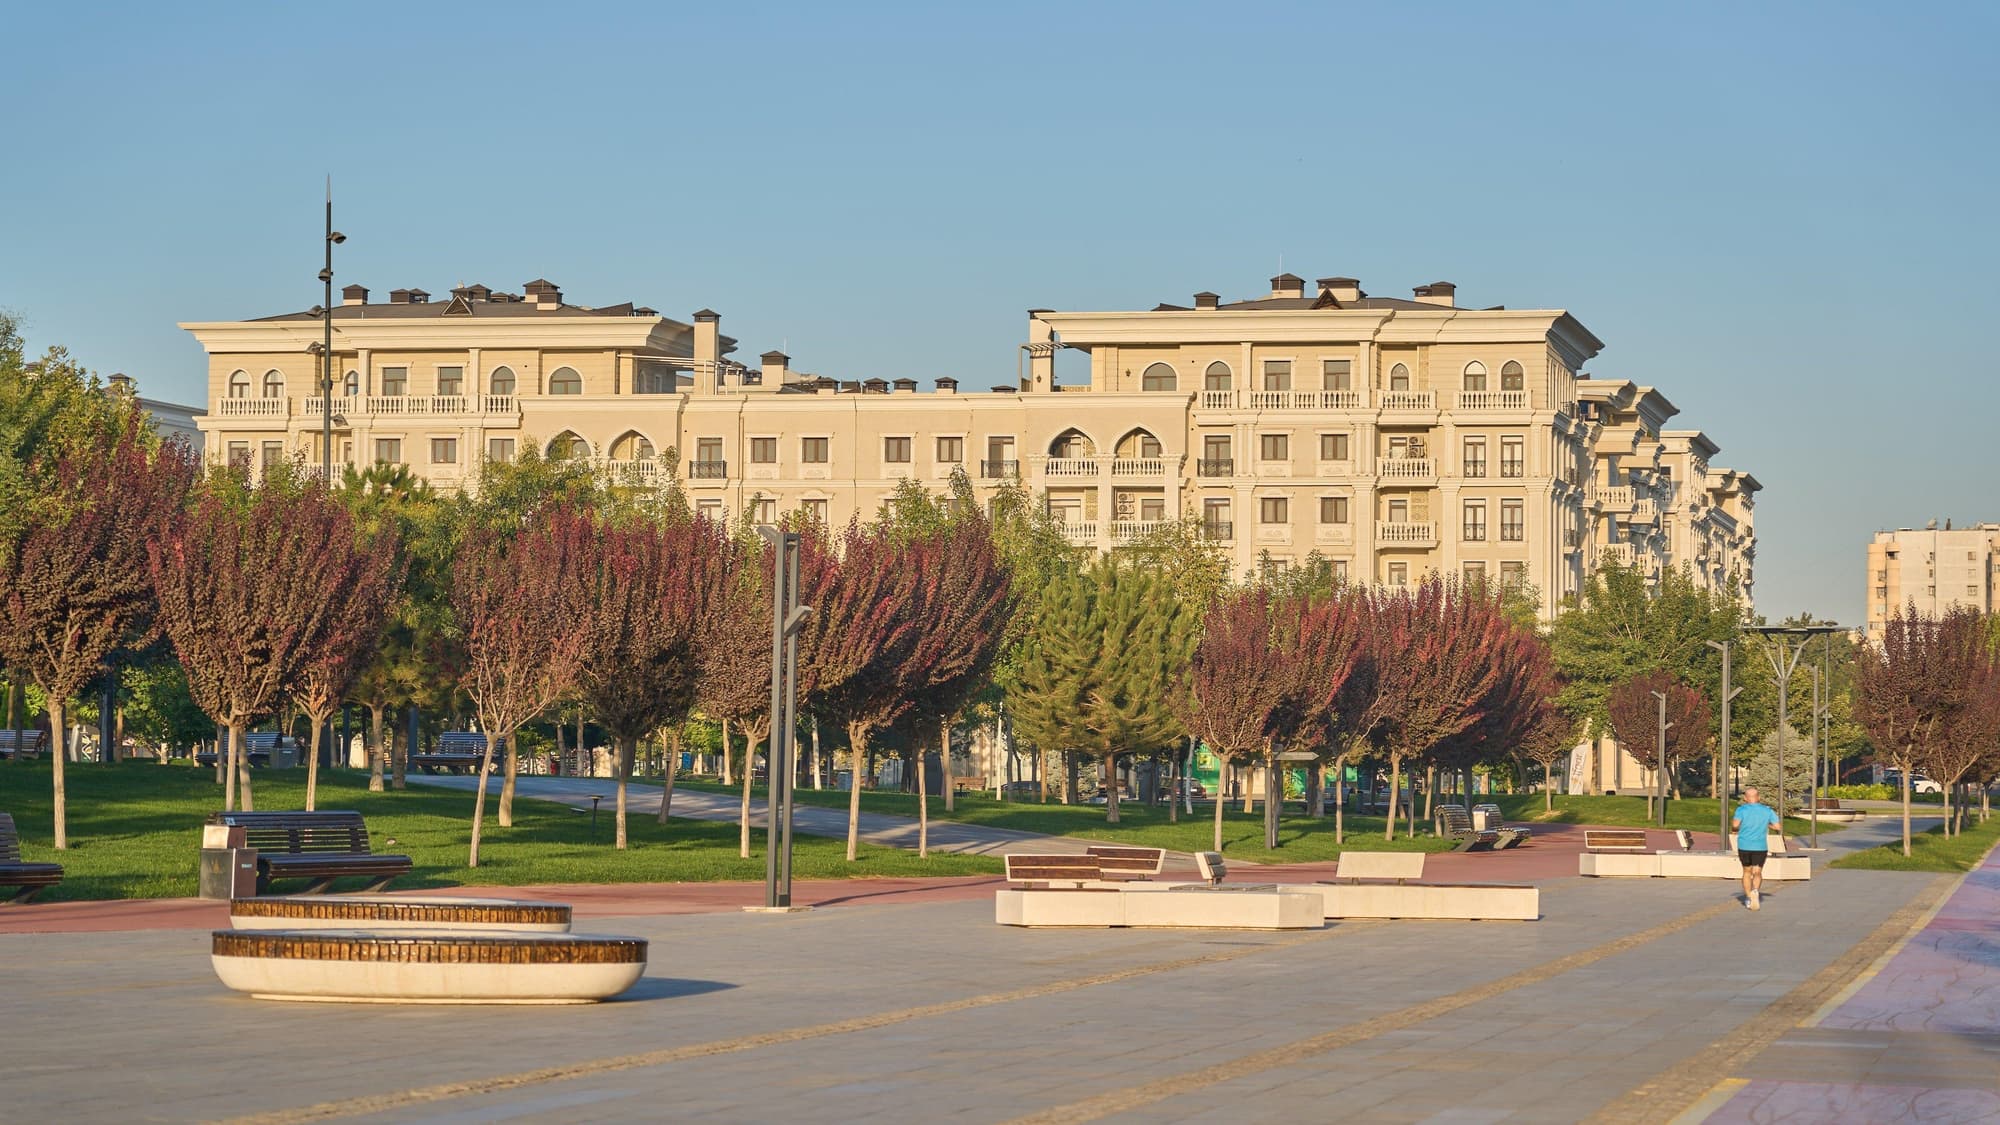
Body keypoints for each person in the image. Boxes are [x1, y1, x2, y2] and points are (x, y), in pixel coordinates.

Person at [1732, 786, 1780, 910]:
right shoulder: (1767, 810)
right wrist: (1766, 824)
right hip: (1760, 846)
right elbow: (1777, 827)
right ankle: (1755, 891)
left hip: (1744, 845)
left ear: (1745, 798)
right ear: (1758, 797)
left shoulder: (1741, 809)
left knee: (1747, 872)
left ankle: (1748, 897)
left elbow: (1735, 825)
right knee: (1757, 871)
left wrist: (1740, 827)